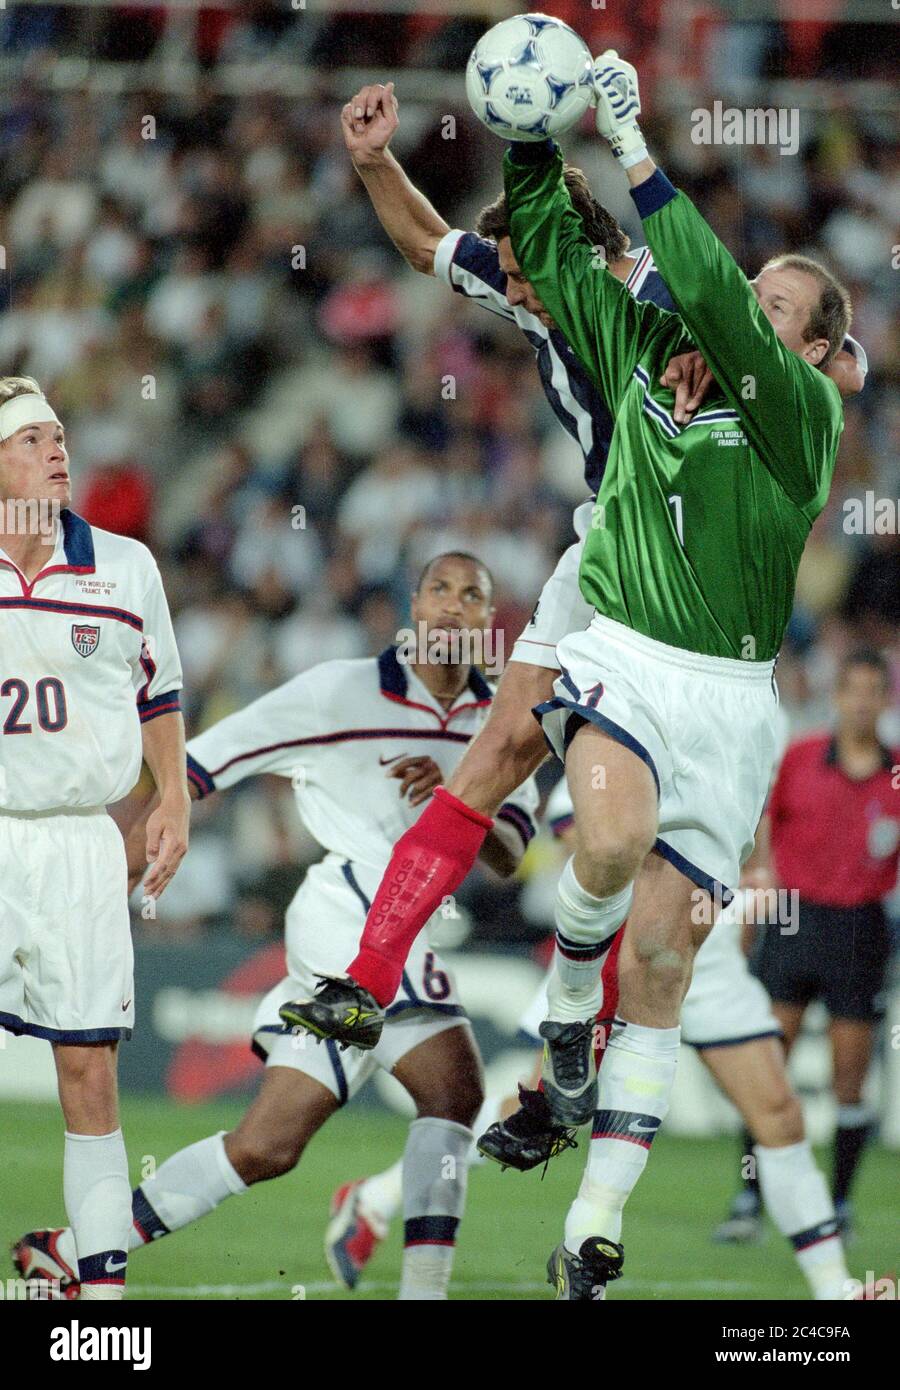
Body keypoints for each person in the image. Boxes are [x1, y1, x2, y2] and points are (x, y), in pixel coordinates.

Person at [277, 78, 865, 1056]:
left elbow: (796, 355)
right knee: (500, 756)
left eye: (520, 274)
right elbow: (428, 246)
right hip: (605, 552)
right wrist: (376, 161)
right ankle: (371, 981)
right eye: (506, 276)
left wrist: (728, 360)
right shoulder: (539, 289)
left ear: (581, 256)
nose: (511, 295)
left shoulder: (653, 297)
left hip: (692, 580)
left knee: (629, 850)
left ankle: (589, 1027)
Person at [15, 552, 538, 1302]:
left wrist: (467, 799)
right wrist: (99, 884)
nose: (454, 606)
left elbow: (513, 853)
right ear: (413, 604)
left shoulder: (501, 725)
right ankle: (426, 1292)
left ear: (492, 619)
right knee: (454, 1091)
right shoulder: (339, 693)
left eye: (473, 595)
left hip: (402, 931)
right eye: (440, 590)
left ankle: (70, 1251)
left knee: (268, 1146)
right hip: (348, 909)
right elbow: (198, 770)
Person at [328, 778, 851, 1301]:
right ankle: (379, 1196)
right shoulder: (636, 725)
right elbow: (575, 828)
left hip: (708, 961)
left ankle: (837, 1291)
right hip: (621, 953)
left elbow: (751, 829)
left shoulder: (748, 726)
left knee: (779, 1113)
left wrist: (755, 872)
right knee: (534, 1108)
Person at [1, 375, 187, 1300]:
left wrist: (175, 801)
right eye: (33, 439)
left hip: (77, 844)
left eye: (60, 436)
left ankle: (101, 1300)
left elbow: (160, 692)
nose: (57, 451)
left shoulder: (126, 566)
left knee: (87, 1069)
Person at [720, 647, 898, 1242]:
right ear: (838, 695)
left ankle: (839, 1204)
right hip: (793, 922)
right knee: (768, 1068)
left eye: (875, 690)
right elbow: (763, 849)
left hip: (859, 929)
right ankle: (749, 1198)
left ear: (885, 699)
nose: (863, 701)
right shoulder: (797, 759)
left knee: (850, 1080)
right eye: (855, 689)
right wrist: (750, 925)